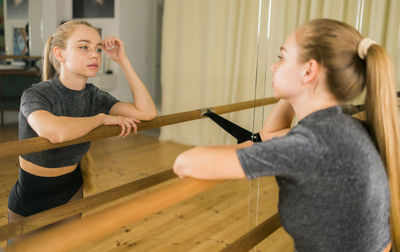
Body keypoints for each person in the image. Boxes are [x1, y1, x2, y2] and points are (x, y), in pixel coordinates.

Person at [174, 19, 399, 252]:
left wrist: (249, 150)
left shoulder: (312, 144)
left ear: (309, 70)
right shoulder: (343, 128)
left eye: (282, 57)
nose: (273, 66)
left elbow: (185, 163)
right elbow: (268, 135)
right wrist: (294, 94)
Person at [8, 19, 157, 243]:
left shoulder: (95, 96)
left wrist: (122, 61)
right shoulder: (36, 94)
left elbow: (146, 113)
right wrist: (100, 119)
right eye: (83, 47)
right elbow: (54, 132)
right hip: (29, 199)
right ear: (59, 54)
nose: (95, 54)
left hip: (70, 193)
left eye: (98, 48)